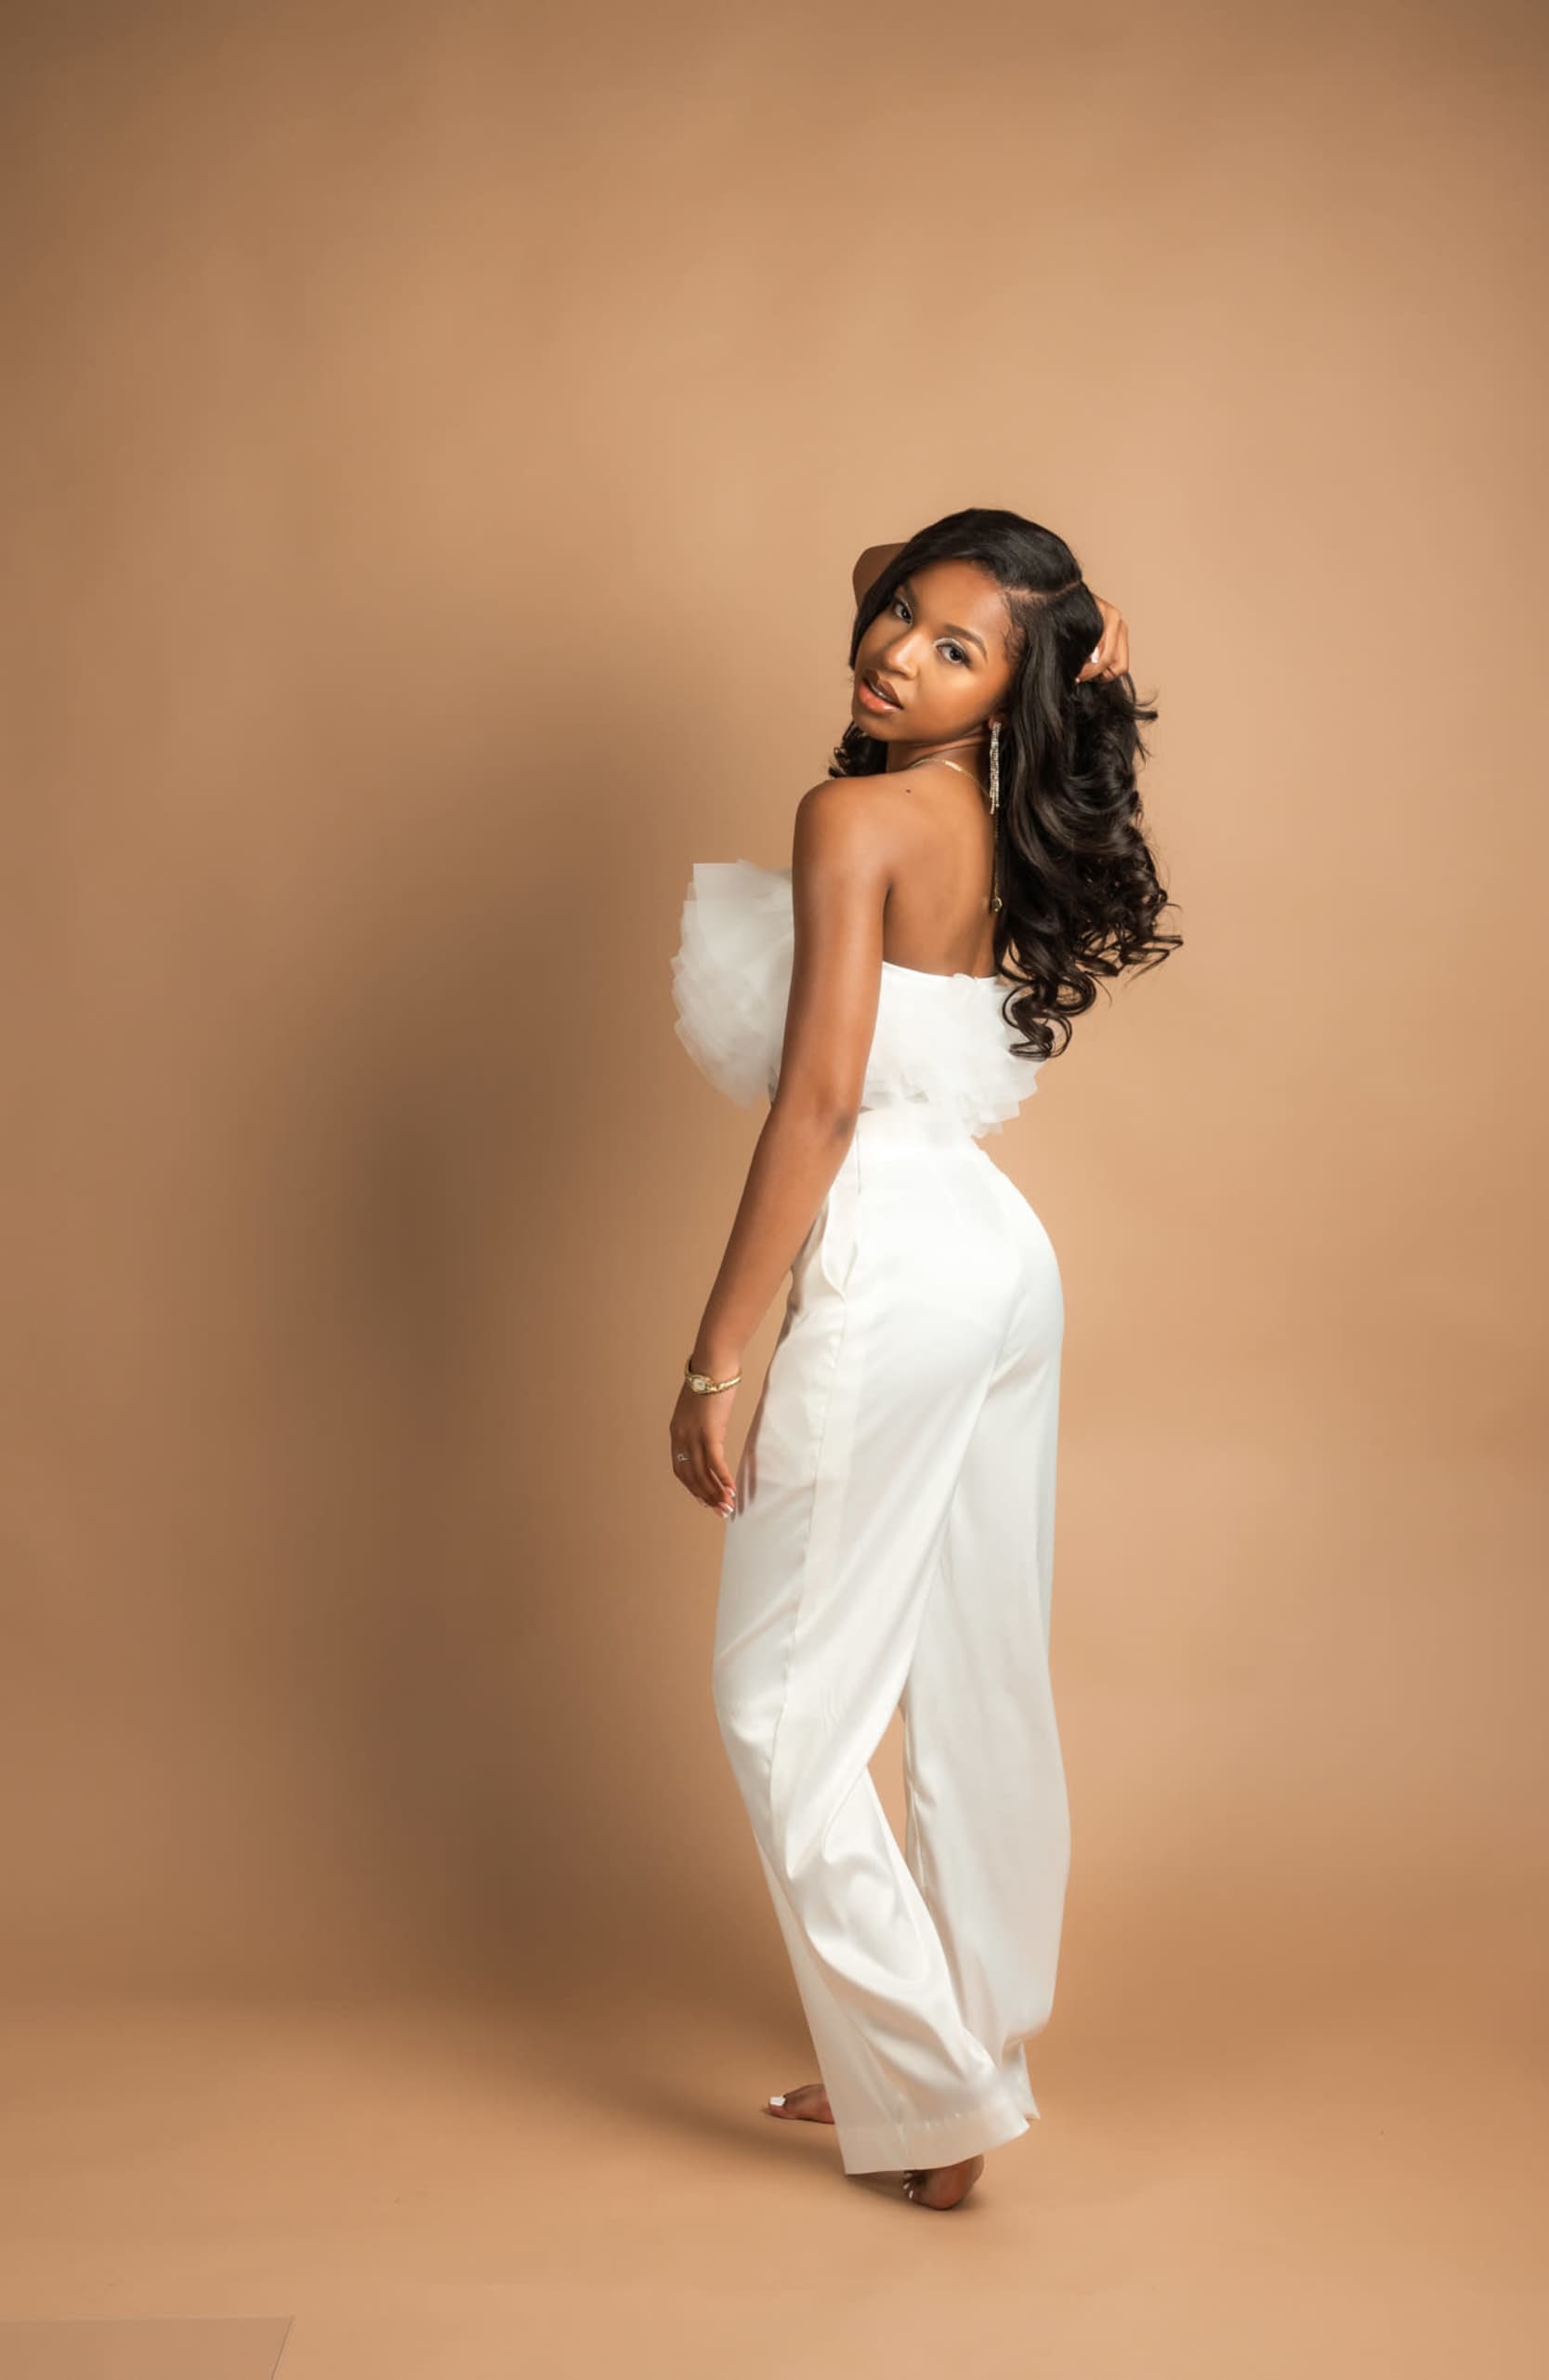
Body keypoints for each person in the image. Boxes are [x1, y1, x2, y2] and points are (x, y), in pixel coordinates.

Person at [666, 507, 1175, 2211]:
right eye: (897, 616)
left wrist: (717, 1354)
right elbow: (924, 575)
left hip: (890, 1254)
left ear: (1003, 688)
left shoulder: (858, 812)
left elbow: (819, 1104)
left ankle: (942, 2096)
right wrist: (1052, 624)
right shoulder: (987, 800)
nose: (894, 648)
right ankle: (953, 2051)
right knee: (975, 1676)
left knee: (779, 1711)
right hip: (1000, 1256)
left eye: (951, 647)